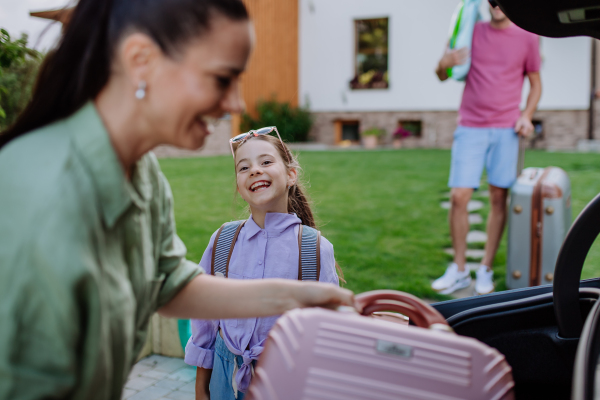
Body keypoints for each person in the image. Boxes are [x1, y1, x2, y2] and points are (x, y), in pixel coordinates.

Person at [0, 1, 354, 399]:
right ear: (141, 60)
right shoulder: (41, 191)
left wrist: (301, 295)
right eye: (223, 79)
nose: (236, 104)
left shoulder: (144, 173)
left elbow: (168, 282)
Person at [186, 131, 342, 400]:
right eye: (244, 167)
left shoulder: (314, 250)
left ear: (291, 175)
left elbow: (327, 333)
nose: (255, 170)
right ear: (238, 185)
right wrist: (201, 388)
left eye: (266, 162)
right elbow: (205, 318)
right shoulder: (223, 241)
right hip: (223, 379)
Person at [432, 4, 542, 295]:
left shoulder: (528, 37)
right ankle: (458, 269)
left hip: (506, 129)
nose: (496, 5)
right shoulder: (471, 31)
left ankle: (485, 268)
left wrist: (526, 115)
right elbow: (441, 74)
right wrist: (444, 62)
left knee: (498, 197)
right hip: (470, 126)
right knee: (459, 197)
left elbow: (536, 84)